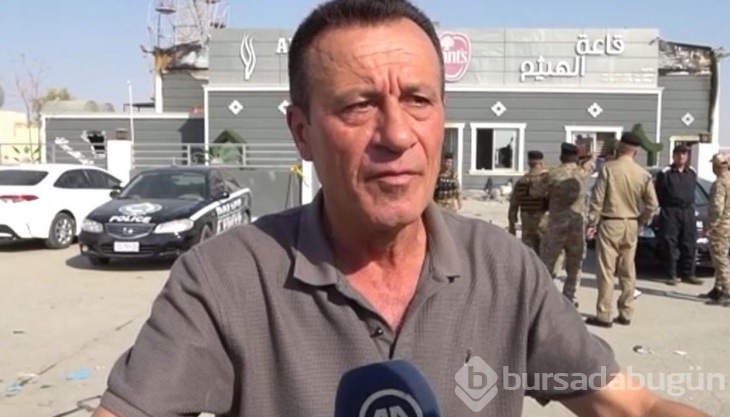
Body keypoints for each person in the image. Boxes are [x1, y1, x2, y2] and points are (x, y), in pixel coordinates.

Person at [91, 1, 710, 416]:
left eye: (418, 100)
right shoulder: (225, 280)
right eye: (358, 105)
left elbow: (633, 406)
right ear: (302, 132)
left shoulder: (505, 269)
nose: (396, 134)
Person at [585, 133, 660, 328]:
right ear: (636, 151)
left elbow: (598, 198)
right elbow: (653, 204)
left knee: (606, 270)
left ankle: (604, 313)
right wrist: (642, 220)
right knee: (628, 269)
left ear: (620, 147)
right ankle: (626, 311)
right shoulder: (642, 173)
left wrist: (591, 221)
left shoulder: (609, 168)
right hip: (631, 223)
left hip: (611, 222)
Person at [530, 143, 596, 308]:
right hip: (576, 227)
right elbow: (590, 165)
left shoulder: (552, 174)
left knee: (547, 264)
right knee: (574, 266)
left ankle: (544, 299)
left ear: (561, 156)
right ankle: (569, 298)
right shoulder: (582, 172)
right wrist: (591, 158)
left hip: (556, 225)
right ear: (576, 157)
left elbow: (534, 192)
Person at [654, 145, 702, 286]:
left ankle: (689, 274)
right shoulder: (666, 173)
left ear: (687, 156)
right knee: (670, 244)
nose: (681, 157)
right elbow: (659, 193)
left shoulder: (691, 172)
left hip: (688, 211)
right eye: (678, 154)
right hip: (671, 211)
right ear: (673, 156)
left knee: (689, 243)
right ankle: (672, 275)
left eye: (684, 154)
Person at [702, 152, 730, 305]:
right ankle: (717, 289)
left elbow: (717, 209)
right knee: (721, 256)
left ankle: (727, 291)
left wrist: (710, 226)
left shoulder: (720, 183)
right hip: (728, 225)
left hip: (720, 227)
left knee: (720, 260)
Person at [508, 150, 548, 254]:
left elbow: (514, 204)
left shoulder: (521, 181)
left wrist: (512, 223)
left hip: (527, 221)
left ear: (529, 162)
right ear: (541, 162)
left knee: (528, 254)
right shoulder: (546, 180)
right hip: (543, 221)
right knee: (545, 254)